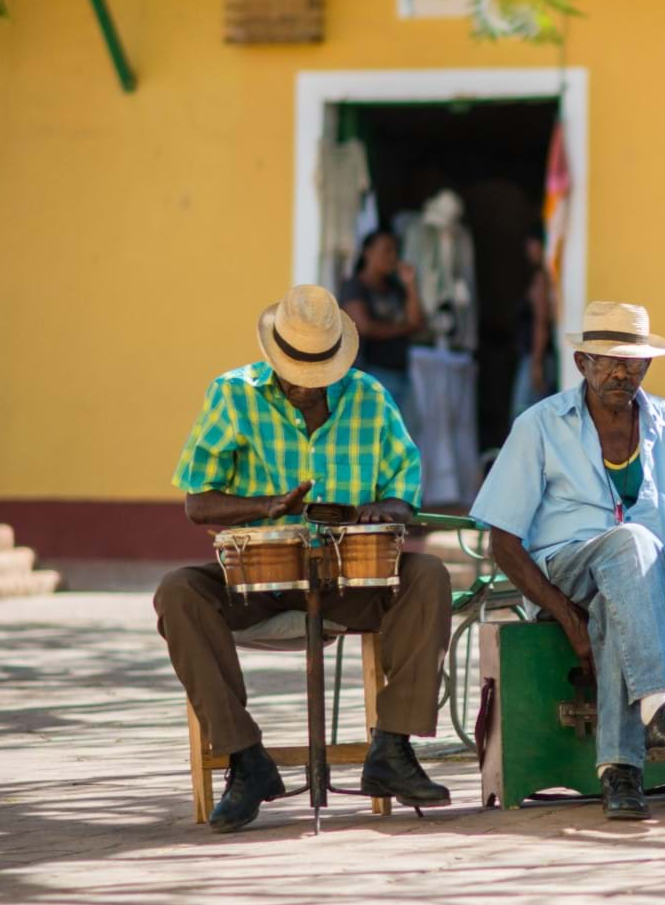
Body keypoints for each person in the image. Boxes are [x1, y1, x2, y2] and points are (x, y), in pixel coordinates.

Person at [157, 285, 453, 833]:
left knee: (429, 575)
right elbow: (197, 502)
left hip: (350, 578)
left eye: (321, 373)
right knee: (178, 592)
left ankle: (391, 749)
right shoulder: (231, 395)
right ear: (275, 356)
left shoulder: (370, 398)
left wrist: (383, 508)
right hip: (257, 579)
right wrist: (267, 507)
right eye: (297, 372)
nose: (308, 385)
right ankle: (246, 761)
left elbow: (404, 487)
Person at [470, 301, 665, 820]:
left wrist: (661, 634)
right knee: (629, 540)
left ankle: (621, 774)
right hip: (565, 572)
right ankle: (662, 706)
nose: (619, 372)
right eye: (606, 360)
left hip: (646, 581)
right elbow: (503, 539)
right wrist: (566, 618)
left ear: (648, 366)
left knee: (622, 594)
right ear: (582, 361)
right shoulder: (541, 425)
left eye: (631, 362)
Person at [340, 230, 425, 429]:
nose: (393, 257)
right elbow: (365, 327)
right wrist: (406, 328)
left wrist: (411, 285)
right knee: (373, 435)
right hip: (370, 373)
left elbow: (417, 321)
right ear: (368, 252)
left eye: (395, 251)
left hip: (400, 373)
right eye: (387, 250)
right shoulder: (355, 287)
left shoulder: (395, 287)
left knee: (401, 438)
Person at [512, 229, 558, 418]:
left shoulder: (541, 278)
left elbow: (541, 322)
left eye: (533, 246)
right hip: (537, 356)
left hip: (536, 356)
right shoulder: (546, 276)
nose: (529, 252)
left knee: (524, 413)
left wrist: (537, 363)